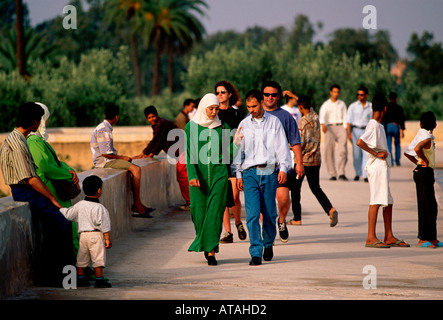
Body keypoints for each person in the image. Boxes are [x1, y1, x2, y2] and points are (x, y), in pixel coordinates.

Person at [0, 102, 74, 286]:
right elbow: (31, 179)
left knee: (53, 228)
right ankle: (64, 278)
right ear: (34, 122)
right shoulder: (18, 143)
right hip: (25, 191)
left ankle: (57, 276)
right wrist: (52, 199)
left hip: (27, 190)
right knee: (63, 225)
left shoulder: (18, 139)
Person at [233, 89, 292, 265]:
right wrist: (238, 174)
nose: (251, 109)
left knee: (268, 213)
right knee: (251, 215)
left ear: (261, 102)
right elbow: (239, 151)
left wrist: (283, 168)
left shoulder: (274, 122)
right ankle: (256, 253)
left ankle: (268, 243)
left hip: (269, 171)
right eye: (248, 106)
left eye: (254, 106)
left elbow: (282, 146)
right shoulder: (244, 124)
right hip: (249, 173)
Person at [185, 93, 242, 266]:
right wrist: (193, 175)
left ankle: (211, 251)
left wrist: (236, 143)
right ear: (203, 108)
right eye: (211, 109)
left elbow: (227, 155)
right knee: (198, 212)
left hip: (219, 175)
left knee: (215, 213)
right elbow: (189, 154)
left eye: (216, 109)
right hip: (198, 178)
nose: (214, 112)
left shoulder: (223, 126)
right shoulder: (191, 127)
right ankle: (204, 242)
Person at [27, 102, 81, 257]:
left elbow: (54, 162)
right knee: (67, 231)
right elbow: (45, 167)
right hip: (51, 190)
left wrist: (69, 170)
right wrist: (67, 174)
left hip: (55, 190)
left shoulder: (39, 140)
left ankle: (77, 268)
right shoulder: (34, 141)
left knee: (70, 230)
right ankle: (74, 270)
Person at [356, 94, 410, 248]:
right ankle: (370, 237)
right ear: (384, 109)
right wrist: (376, 153)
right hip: (377, 167)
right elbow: (360, 142)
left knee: (388, 201)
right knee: (376, 201)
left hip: (382, 167)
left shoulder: (378, 125)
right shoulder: (373, 125)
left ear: (372, 107)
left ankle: (389, 235)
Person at [90, 103, 154, 218]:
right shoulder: (104, 130)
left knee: (131, 163)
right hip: (104, 162)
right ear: (116, 117)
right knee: (136, 170)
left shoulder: (104, 127)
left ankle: (139, 203)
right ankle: (137, 204)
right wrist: (122, 157)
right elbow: (106, 154)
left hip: (106, 160)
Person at [261, 80, 304, 243]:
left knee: (283, 198)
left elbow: (295, 141)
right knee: (263, 205)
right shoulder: (254, 114)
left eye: (273, 95)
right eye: (267, 94)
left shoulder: (286, 116)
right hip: (260, 166)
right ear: (262, 96)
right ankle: (268, 234)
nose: (270, 97)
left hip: (281, 166)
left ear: (278, 97)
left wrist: (299, 162)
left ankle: (282, 220)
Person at [288, 96, 338, 227]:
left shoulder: (303, 122)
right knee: (316, 188)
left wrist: (286, 144)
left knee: (295, 189)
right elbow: (305, 103)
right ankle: (330, 209)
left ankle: (297, 218)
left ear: (300, 107)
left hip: (303, 162)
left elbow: (300, 143)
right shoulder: (315, 116)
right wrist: (294, 97)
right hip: (316, 160)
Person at [133, 105, 190, 211]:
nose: (152, 119)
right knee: (183, 177)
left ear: (157, 115)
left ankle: (191, 202)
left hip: (183, 151)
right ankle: (190, 202)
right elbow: (161, 142)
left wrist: (144, 152)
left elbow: (156, 140)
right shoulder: (158, 125)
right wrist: (152, 153)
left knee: (183, 178)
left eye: (153, 116)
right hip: (180, 152)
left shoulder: (161, 123)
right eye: (149, 118)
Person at [60, 175, 112, 288]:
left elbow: (68, 214)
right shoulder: (100, 208)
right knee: (98, 258)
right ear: (99, 190)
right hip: (96, 235)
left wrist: (59, 207)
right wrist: (107, 238)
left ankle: (80, 279)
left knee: (82, 258)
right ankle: (99, 280)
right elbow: (105, 225)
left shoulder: (80, 205)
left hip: (83, 236)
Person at [404, 111, 442, 248]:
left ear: (420, 124)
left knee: (431, 206)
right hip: (424, 173)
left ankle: (432, 237)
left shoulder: (423, 134)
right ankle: (422, 238)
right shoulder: (426, 137)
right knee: (426, 206)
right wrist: (423, 160)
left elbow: (407, 152)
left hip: (423, 172)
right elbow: (417, 148)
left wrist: (418, 162)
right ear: (435, 124)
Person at [215, 80, 246, 243]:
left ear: (230, 94)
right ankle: (228, 232)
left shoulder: (237, 114)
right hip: (220, 158)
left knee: (234, 196)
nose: (220, 95)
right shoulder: (214, 114)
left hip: (236, 157)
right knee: (223, 196)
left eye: (223, 92)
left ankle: (239, 222)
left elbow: (244, 133)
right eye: (218, 93)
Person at [319, 84, 348, 181]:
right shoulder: (326, 104)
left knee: (343, 150)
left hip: (340, 127)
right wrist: (323, 124)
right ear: (331, 92)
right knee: (328, 151)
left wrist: (345, 128)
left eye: (337, 92)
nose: (336, 94)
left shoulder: (342, 104)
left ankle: (341, 172)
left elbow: (345, 116)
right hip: (329, 127)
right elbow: (322, 115)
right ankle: (332, 173)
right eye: (334, 92)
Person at [346, 86, 372, 182]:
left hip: (366, 131)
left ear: (366, 95)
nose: (359, 96)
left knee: (366, 153)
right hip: (355, 130)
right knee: (356, 154)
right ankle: (357, 173)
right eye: (358, 95)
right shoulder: (353, 106)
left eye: (361, 95)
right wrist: (348, 132)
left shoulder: (370, 106)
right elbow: (348, 120)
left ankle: (365, 175)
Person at [383, 92, 406, 166]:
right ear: (396, 99)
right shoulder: (399, 108)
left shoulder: (386, 107)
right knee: (397, 144)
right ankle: (397, 161)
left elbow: (384, 118)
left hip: (388, 126)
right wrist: (402, 130)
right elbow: (402, 119)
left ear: (389, 98)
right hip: (396, 126)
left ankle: (391, 161)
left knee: (388, 144)